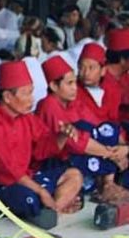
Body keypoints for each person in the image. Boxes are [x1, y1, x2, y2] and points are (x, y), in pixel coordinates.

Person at [0, 60, 82, 228]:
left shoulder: (27, 117)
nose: (32, 99)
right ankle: (48, 205)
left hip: (26, 177)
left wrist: (62, 136)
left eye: (32, 93)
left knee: (74, 175)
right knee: (28, 199)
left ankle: (53, 209)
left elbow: (43, 148)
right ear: (7, 97)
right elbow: (6, 171)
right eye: (26, 94)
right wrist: (41, 191)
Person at [36, 55, 126, 195]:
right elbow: (74, 142)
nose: (75, 88)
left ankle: (109, 184)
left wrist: (123, 149)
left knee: (107, 129)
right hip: (54, 161)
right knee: (84, 131)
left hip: (78, 154)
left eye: (75, 83)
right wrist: (112, 154)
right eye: (69, 83)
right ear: (54, 86)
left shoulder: (73, 103)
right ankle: (106, 186)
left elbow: (98, 124)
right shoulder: (49, 104)